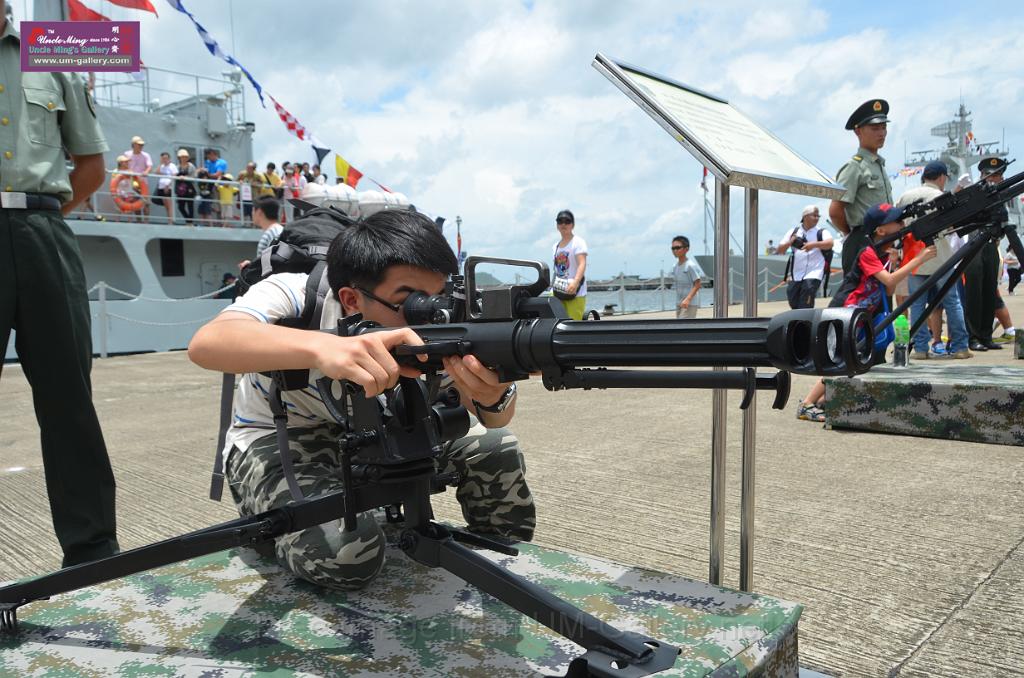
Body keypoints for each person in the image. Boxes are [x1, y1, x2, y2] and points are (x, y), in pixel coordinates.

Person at [188, 209, 534, 591]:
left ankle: (504, 564)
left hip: (378, 431)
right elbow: (209, 343)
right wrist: (324, 348)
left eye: (438, 297)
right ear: (352, 298)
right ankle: (280, 519)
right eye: (411, 301)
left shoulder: (438, 315)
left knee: (495, 446)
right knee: (348, 556)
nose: (431, 314)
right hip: (283, 440)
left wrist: (493, 394)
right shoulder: (295, 291)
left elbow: (496, 419)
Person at [0, 3, 120, 566]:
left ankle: (93, 551)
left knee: (69, 398)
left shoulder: (53, 47)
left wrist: (43, 216)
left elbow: (92, 167)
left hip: (43, 231)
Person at [795, 204, 936, 422]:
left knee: (851, 358)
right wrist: (919, 259)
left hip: (858, 317)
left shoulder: (881, 254)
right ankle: (807, 403)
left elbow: (888, 288)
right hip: (845, 313)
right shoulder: (867, 252)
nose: (901, 224)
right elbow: (889, 282)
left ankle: (822, 401)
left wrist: (895, 264)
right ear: (880, 230)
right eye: (896, 221)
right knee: (843, 360)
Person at [895, 161, 972, 359]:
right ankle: (961, 347)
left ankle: (921, 349)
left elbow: (897, 226)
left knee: (917, 306)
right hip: (941, 258)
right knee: (952, 302)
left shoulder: (905, 196)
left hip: (915, 260)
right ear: (941, 177)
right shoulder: (941, 197)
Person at [830, 99, 894, 274]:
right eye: (875, 129)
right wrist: (853, 234)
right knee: (862, 300)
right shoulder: (855, 167)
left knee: (882, 300)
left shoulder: (878, 166)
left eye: (883, 127)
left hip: (883, 241)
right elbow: (835, 211)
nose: (881, 133)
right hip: (863, 242)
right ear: (858, 131)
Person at [963, 157, 1008, 352]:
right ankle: (973, 337)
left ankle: (986, 335)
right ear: (982, 175)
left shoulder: (1000, 194)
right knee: (974, 292)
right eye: (991, 174)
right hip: (974, 243)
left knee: (990, 291)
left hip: (991, 245)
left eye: (998, 175)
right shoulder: (975, 193)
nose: (994, 178)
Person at [777, 205, 833, 309]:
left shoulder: (821, 232)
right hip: (797, 274)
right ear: (805, 216)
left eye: (818, 216)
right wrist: (791, 242)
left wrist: (813, 245)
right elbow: (780, 250)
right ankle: (798, 322)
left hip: (814, 272)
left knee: (806, 300)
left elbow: (830, 243)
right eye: (814, 215)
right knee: (793, 299)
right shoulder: (793, 231)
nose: (817, 218)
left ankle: (806, 323)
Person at [237, 197, 284, 271]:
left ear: (259, 212)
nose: (252, 214)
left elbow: (270, 267)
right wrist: (252, 265)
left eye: (252, 210)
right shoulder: (278, 230)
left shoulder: (271, 233)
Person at [671, 236, 703, 318]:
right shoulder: (675, 266)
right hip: (679, 302)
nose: (675, 250)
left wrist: (688, 299)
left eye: (678, 248)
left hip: (690, 303)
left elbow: (698, 284)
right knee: (680, 328)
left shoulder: (690, 265)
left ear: (686, 249)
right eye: (673, 248)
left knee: (684, 328)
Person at [123, 135, 152, 222]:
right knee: (136, 203)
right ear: (134, 145)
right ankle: (139, 221)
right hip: (132, 182)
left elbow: (149, 166)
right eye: (139, 144)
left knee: (146, 203)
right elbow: (124, 165)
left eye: (142, 145)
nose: (141, 146)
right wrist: (129, 171)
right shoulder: (127, 154)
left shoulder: (146, 155)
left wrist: (146, 171)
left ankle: (146, 221)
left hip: (143, 182)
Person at [175, 148, 197, 224]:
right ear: (179, 158)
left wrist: (185, 178)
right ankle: (188, 220)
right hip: (180, 189)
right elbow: (174, 175)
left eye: (185, 157)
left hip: (189, 188)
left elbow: (194, 177)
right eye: (182, 157)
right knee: (180, 206)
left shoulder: (191, 166)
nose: (184, 158)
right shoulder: (177, 167)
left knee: (190, 205)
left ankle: (190, 222)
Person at [154, 151, 177, 221]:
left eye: (166, 158)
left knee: (169, 205)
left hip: (168, 187)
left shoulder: (172, 166)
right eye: (163, 158)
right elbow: (157, 172)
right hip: (161, 187)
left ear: (169, 158)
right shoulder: (162, 166)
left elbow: (174, 175)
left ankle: (171, 221)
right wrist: (160, 164)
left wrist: (168, 185)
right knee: (166, 205)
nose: (165, 160)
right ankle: (169, 220)